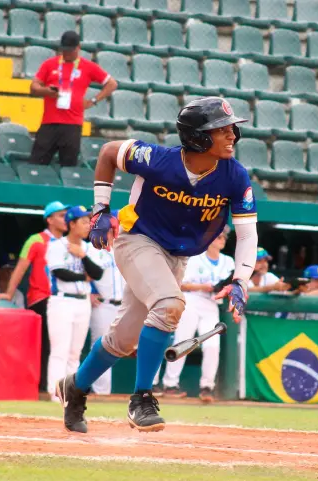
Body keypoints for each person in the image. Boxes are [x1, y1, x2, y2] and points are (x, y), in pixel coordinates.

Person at [55, 96, 258, 434]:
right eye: (222, 130)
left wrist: (241, 279)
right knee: (169, 305)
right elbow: (107, 153)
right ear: (198, 138)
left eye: (231, 128)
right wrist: (101, 208)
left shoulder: (234, 176)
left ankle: (74, 386)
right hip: (137, 241)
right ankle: (142, 398)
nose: (232, 135)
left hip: (176, 257)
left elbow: (247, 234)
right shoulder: (158, 159)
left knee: (123, 339)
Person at [0, 201, 69, 394]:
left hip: (63, 299)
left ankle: (61, 387)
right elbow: (20, 268)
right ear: (50, 220)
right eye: (61, 215)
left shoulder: (68, 243)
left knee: (62, 345)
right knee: (45, 345)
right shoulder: (36, 240)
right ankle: (43, 387)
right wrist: (10, 292)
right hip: (41, 299)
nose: (66, 219)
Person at [159, 227, 235, 402]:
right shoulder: (195, 258)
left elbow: (231, 284)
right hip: (192, 301)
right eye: (219, 235)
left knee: (212, 346)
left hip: (212, 304)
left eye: (224, 236)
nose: (222, 238)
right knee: (183, 342)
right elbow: (181, 284)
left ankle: (207, 387)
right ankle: (170, 384)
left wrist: (221, 288)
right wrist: (203, 286)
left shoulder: (228, 261)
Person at [29, 31, 118, 167]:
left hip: (72, 124)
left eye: (70, 50)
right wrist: (45, 91)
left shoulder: (88, 66)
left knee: (69, 166)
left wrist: (93, 101)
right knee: (36, 163)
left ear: (78, 48)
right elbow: (33, 86)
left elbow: (112, 84)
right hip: (49, 122)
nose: (67, 53)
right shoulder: (50, 64)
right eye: (64, 50)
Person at [45, 205, 104, 399]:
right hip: (62, 301)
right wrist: (82, 276)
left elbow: (97, 273)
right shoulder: (56, 245)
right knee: (59, 351)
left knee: (75, 352)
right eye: (84, 221)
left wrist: (83, 256)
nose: (88, 225)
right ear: (71, 224)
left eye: (89, 221)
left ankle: (70, 393)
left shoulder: (88, 247)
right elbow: (60, 272)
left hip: (82, 302)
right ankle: (55, 393)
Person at [86, 210, 126, 396]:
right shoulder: (92, 248)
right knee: (101, 346)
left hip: (125, 305)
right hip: (103, 304)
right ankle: (100, 393)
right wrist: (90, 292)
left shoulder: (127, 246)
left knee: (118, 348)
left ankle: (104, 393)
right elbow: (85, 272)